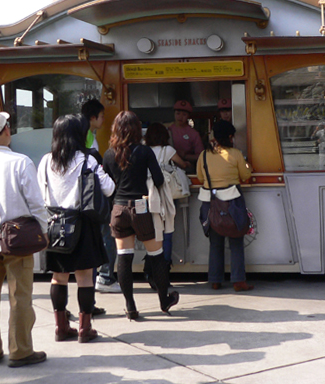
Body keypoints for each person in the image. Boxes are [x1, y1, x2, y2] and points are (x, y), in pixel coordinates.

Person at [0, 111, 48, 368]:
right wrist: (44, 230)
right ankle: (20, 350)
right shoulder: (21, 162)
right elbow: (36, 203)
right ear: (6, 131)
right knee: (20, 297)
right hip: (18, 239)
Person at [38, 115, 115, 342]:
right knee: (84, 279)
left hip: (55, 225)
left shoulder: (45, 161)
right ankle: (84, 328)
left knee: (58, 278)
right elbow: (109, 188)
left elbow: (39, 192)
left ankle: (61, 328)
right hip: (82, 225)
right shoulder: (87, 160)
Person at [103, 112, 179, 319]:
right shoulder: (144, 151)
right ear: (137, 129)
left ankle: (130, 307)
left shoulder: (109, 154)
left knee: (124, 259)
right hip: (140, 208)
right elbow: (159, 179)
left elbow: (107, 186)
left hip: (118, 209)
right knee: (156, 256)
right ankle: (164, 300)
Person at [196, 120, 254, 292]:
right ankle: (238, 281)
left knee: (215, 243)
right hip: (232, 204)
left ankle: (215, 280)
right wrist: (248, 165)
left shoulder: (204, 155)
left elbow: (200, 178)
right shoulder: (235, 154)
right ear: (230, 137)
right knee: (236, 241)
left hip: (210, 204)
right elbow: (245, 175)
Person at [82, 99, 120, 295]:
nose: (104, 120)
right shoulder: (87, 136)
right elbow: (94, 165)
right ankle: (105, 276)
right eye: (102, 116)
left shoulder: (88, 135)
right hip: (96, 195)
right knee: (106, 236)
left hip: (89, 195)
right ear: (93, 117)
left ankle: (99, 277)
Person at [144, 122, 188, 273]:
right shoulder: (168, 150)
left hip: (150, 195)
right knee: (167, 231)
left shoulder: (144, 150)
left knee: (152, 232)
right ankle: (164, 268)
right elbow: (182, 164)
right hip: (167, 194)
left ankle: (150, 267)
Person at [168, 100, 204, 173]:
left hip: (187, 169)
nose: (180, 117)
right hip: (169, 168)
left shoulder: (193, 133)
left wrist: (185, 156)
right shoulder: (168, 130)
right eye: (178, 113)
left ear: (188, 116)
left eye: (184, 114)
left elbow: (201, 155)